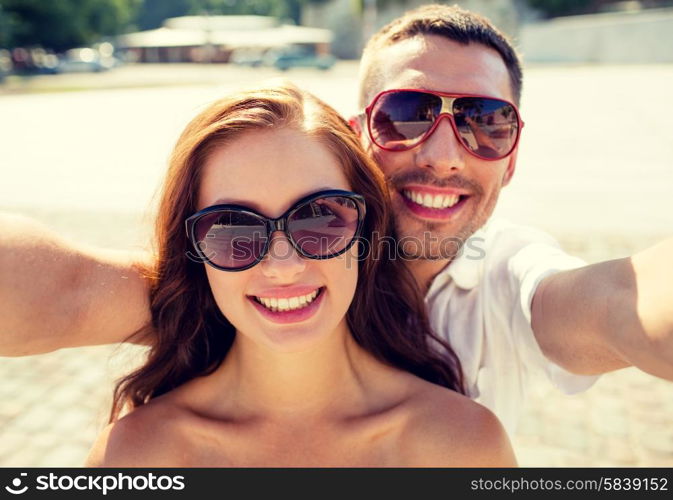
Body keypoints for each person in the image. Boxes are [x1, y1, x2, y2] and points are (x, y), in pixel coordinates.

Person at [1, 4, 671, 436]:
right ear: (358, 138)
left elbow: (619, 304)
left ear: (512, 157)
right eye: (406, 115)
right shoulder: (242, 269)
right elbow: (64, 294)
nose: (441, 155)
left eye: (484, 123)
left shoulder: (501, 283)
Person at [82, 82, 515, 467]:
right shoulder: (134, 455)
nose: (283, 265)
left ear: (367, 230)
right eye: (234, 228)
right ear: (194, 250)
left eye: (319, 219)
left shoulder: (463, 446)